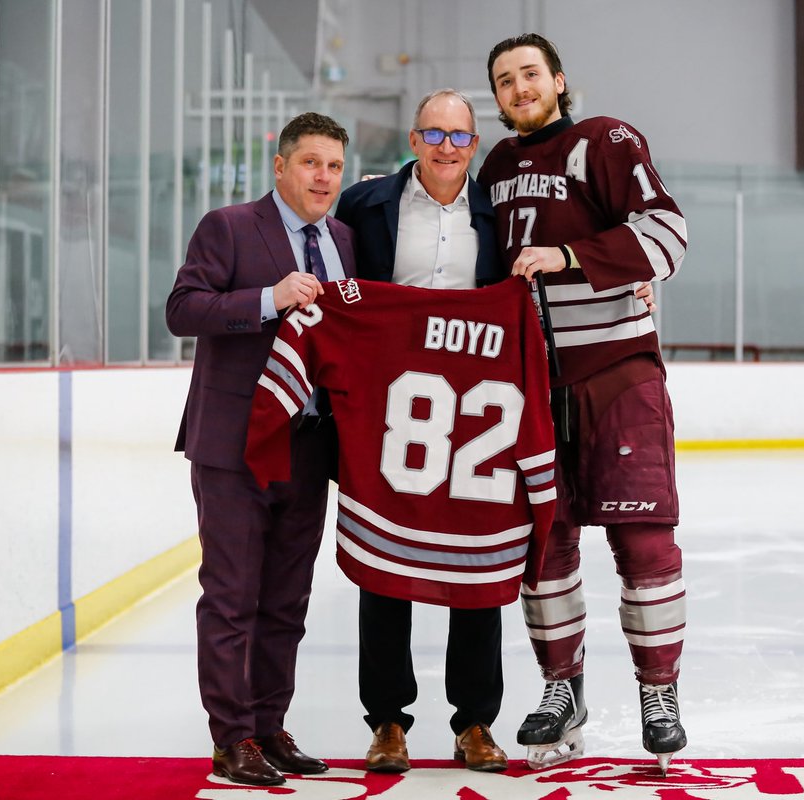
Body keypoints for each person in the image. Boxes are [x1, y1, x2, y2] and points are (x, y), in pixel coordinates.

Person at [478, 34, 690, 774]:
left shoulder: (604, 139)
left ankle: (659, 694)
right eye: (505, 81)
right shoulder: (497, 166)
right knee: (546, 545)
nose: (519, 88)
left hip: (617, 375)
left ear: (559, 80)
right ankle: (562, 688)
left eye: (530, 74)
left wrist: (571, 258)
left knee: (644, 542)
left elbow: (667, 232)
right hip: (534, 385)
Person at [165, 112, 356, 787]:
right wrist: (267, 299)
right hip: (235, 446)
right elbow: (183, 309)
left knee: (285, 602)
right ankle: (232, 737)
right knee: (231, 597)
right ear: (280, 167)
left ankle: (270, 727)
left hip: (308, 446)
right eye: (310, 163)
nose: (323, 178)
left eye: (333, 166)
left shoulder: (342, 240)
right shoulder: (230, 226)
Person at [333, 89, 510, 773]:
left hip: (472, 419)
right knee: (386, 565)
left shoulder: (498, 217)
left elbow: (534, 286)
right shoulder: (365, 205)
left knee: (477, 569)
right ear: (413, 139)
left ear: (474, 144)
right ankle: (387, 722)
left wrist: (629, 284)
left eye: (459, 136)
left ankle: (474, 723)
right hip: (386, 410)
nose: (445, 147)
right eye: (433, 134)